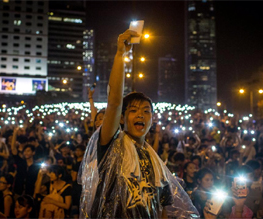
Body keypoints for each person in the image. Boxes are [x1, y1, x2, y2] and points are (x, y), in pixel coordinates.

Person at [79, 29, 198, 219]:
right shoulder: (111, 145)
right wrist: (120, 55)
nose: (140, 115)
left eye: (146, 111)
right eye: (133, 110)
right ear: (121, 118)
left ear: (152, 119)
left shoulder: (156, 163)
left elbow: (163, 208)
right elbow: (115, 102)